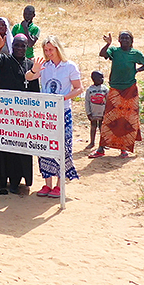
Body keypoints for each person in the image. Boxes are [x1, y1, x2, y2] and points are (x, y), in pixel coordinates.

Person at [25, 35, 83, 198]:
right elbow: (28, 78)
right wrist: (34, 70)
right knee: (44, 147)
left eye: (51, 49)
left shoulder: (70, 66)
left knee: (63, 147)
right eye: (46, 50)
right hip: (45, 115)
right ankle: (47, 184)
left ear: (58, 48)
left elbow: (79, 88)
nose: (48, 53)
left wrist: (63, 98)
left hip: (63, 112)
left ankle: (59, 184)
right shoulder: (44, 66)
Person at [0, 34, 41, 194]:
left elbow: (35, 91)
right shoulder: (5, 60)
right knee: (1, 147)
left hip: (22, 118)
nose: (19, 48)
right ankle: (0, 181)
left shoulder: (30, 65)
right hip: (4, 115)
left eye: (22, 46)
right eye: (16, 45)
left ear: (27, 48)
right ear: (12, 46)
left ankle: (15, 182)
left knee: (18, 150)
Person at [89, 31, 144, 158]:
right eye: (122, 38)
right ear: (119, 40)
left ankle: (124, 149)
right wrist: (108, 44)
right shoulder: (114, 51)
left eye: (127, 38)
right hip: (115, 89)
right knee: (109, 118)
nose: (124, 40)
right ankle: (101, 148)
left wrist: (136, 71)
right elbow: (102, 54)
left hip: (130, 89)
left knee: (127, 119)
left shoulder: (135, 54)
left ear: (131, 40)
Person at [85, 70, 108, 149]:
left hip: (102, 112)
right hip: (93, 112)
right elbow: (87, 102)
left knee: (102, 128)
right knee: (93, 127)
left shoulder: (105, 89)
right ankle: (92, 142)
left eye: (103, 77)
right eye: (100, 78)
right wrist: (88, 113)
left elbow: (108, 101)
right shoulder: (90, 90)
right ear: (93, 79)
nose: (102, 79)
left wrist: (106, 112)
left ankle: (103, 143)